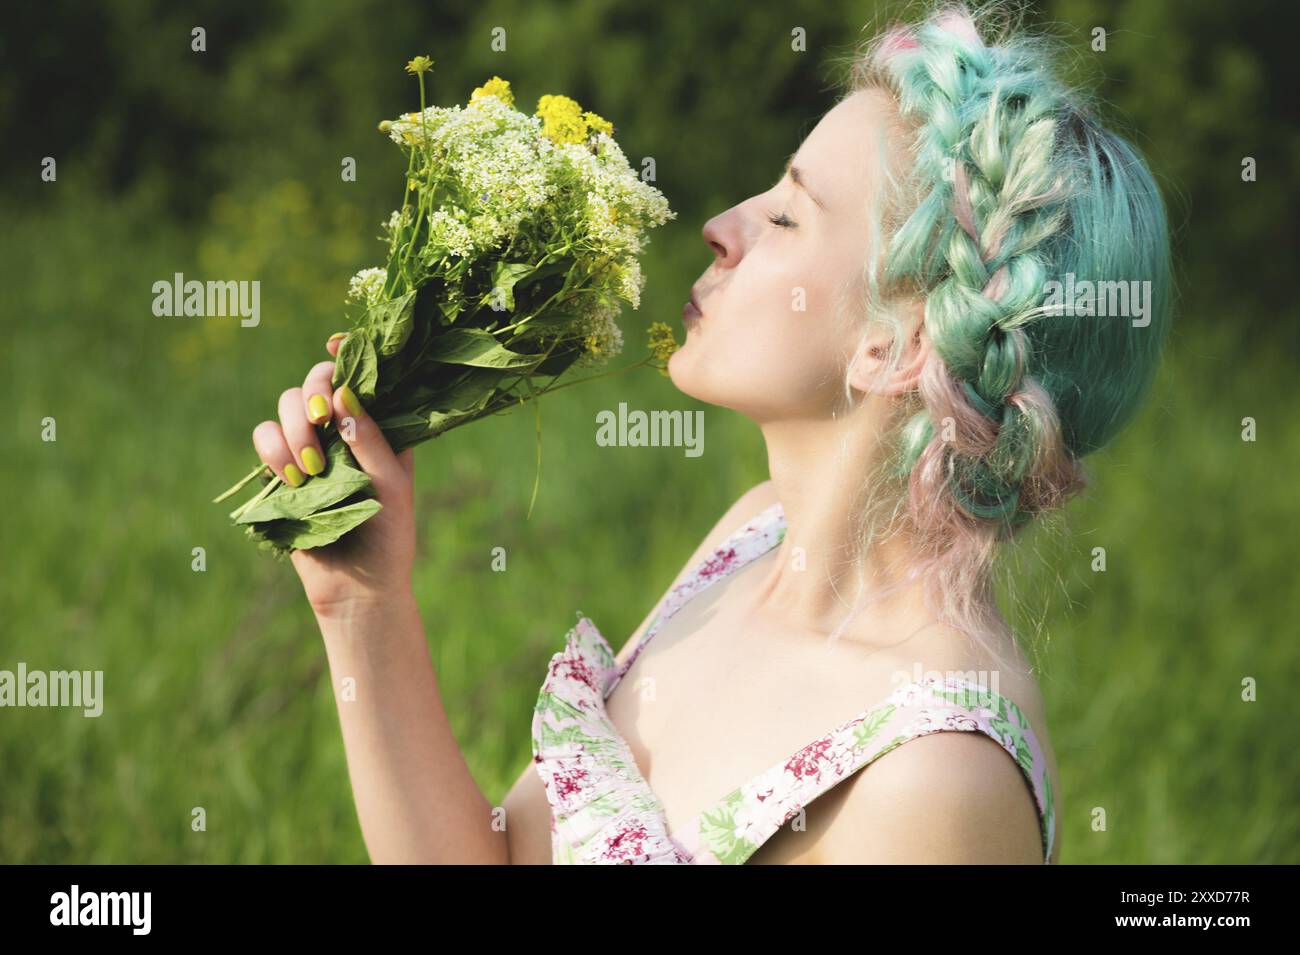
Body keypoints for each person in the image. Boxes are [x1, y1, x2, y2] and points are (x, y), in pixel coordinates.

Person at [248, 1, 1171, 864]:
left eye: (785, 214)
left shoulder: (934, 777)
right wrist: (362, 606)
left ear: (899, 344)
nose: (721, 227)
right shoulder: (750, 539)